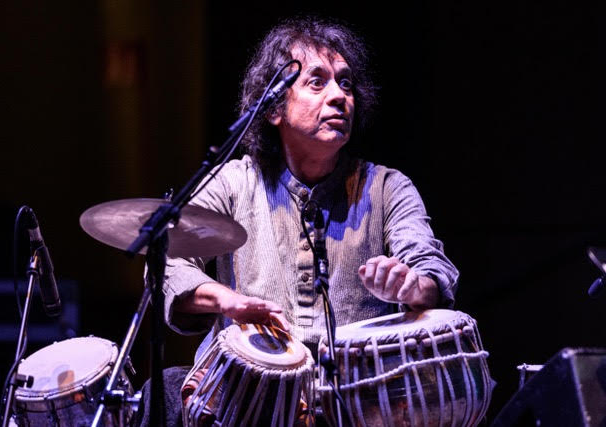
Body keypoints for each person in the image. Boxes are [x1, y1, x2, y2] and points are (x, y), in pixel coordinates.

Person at [135, 17, 459, 426]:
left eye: (345, 83)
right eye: (317, 82)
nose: (340, 96)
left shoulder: (386, 188)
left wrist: (416, 285)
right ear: (273, 108)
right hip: (241, 403)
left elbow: (429, 263)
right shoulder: (235, 182)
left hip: (356, 406)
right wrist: (226, 301)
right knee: (158, 392)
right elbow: (167, 260)